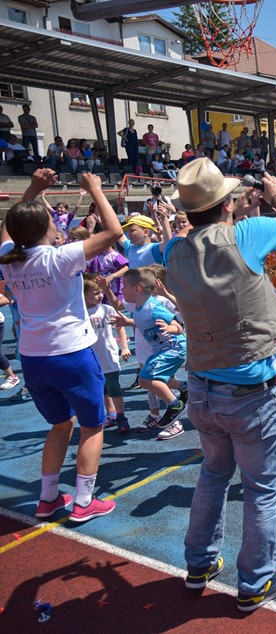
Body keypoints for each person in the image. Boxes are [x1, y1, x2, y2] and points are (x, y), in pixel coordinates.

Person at [164, 158, 276, 611]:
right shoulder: (246, 234)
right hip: (250, 393)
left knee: (212, 475)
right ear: (227, 204)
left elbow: (135, 256)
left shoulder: (172, 249)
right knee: (261, 489)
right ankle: (255, 582)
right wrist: (275, 192)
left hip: (202, 387)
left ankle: (199, 564)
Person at [0, 169, 123, 523]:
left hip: (33, 357)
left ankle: (48, 496)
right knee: (92, 425)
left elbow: (11, 227)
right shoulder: (60, 257)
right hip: (71, 354)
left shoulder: (10, 258)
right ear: (45, 230)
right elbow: (113, 233)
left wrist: (34, 190)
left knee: (59, 425)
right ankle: (85, 501)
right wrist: (96, 190)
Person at [110, 267, 188, 440]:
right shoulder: (138, 309)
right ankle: (184, 387)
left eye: (124, 286)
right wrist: (127, 321)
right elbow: (142, 323)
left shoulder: (154, 307)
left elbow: (179, 326)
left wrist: (170, 328)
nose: (121, 290)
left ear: (136, 289)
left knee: (147, 377)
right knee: (150, 380)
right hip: (161, 349)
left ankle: (175, 404)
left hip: (174, 348)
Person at [84, 274, 131, 432]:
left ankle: (121, 416)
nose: (100, 295)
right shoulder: (80, 313)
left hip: (109, 355)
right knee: (101, 388)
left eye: (100, 292)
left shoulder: (106, 309)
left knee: (114, 387)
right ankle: (111, 414)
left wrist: (124, 347)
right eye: (95, 293)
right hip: (91, 358)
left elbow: (120, 327)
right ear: (82, 294)